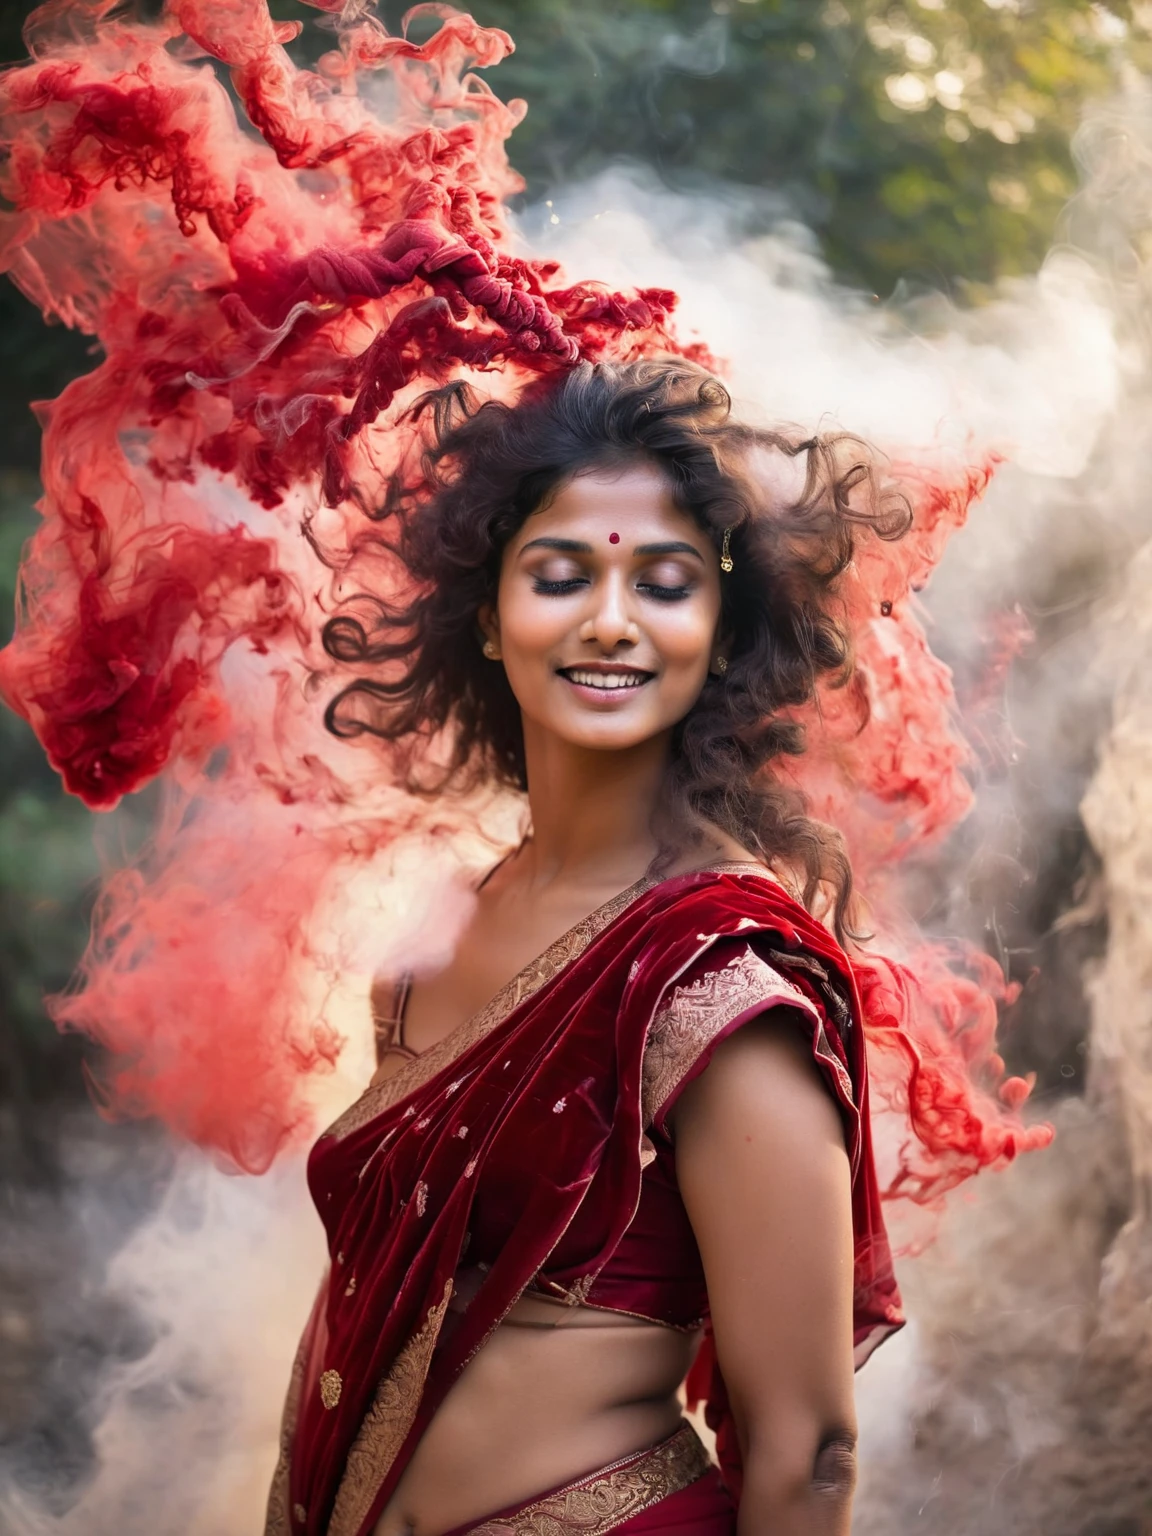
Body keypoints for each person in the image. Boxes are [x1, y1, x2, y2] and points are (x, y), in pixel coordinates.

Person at [263, 358, 908, 1536]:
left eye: (664, 586)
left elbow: (805, 1450)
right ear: (488, 617)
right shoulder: (439, 935)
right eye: (561, 577)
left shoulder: (719, 982)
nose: (610, 621)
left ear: (721, 634)